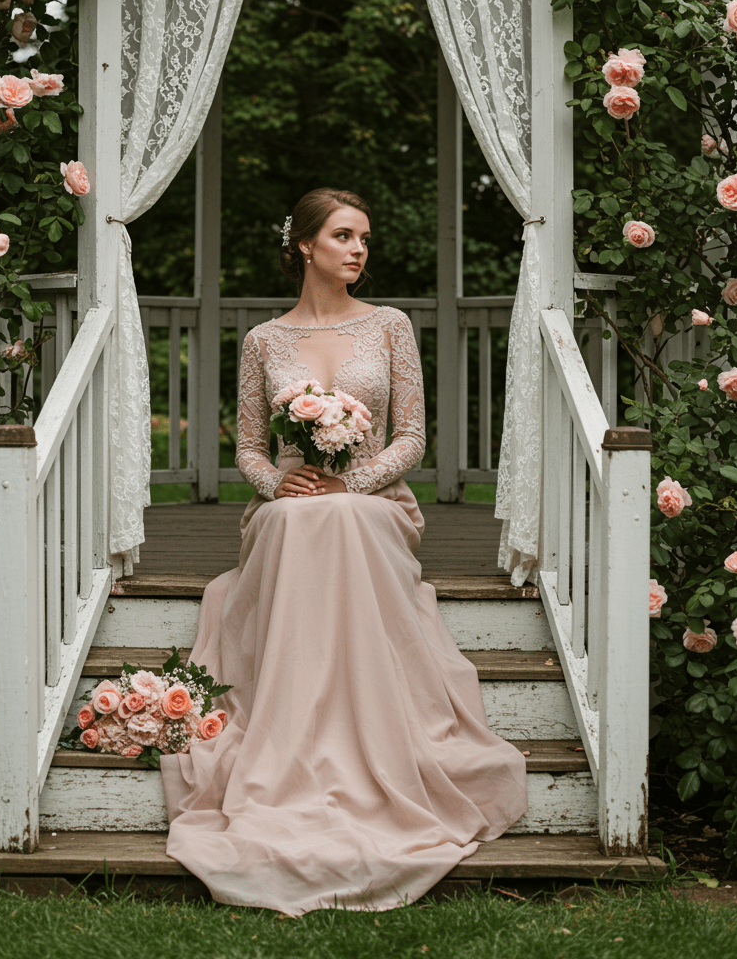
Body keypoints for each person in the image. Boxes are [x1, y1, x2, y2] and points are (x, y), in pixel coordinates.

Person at [161, 188, 527, 913]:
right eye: (343, 236)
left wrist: (353, 482)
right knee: (297, 523)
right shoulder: (264, 341)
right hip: (289, 506)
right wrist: (277, 483)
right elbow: (248, 447)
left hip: (375, 502)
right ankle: (289, 734)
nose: (358, 249)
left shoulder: (390, 326)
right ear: (304, 245)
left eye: (364, 238)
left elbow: (412, 437)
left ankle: (374, 733)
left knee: (343, 518)